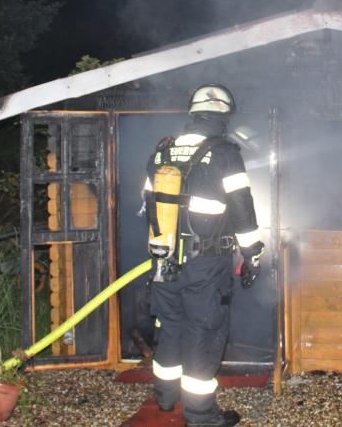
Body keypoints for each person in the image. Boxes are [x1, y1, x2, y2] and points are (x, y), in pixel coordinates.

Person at [143, 83, 263, 427]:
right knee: (203, 331)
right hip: (205, 263)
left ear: (193, 115)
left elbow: (148, 205)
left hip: (163, 260)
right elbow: (242, 208)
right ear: (223, 117)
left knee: (169, 326)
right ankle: (201, 416)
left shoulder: (162, 152)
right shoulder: (225, 153)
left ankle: (165, 398)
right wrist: (252, 253)